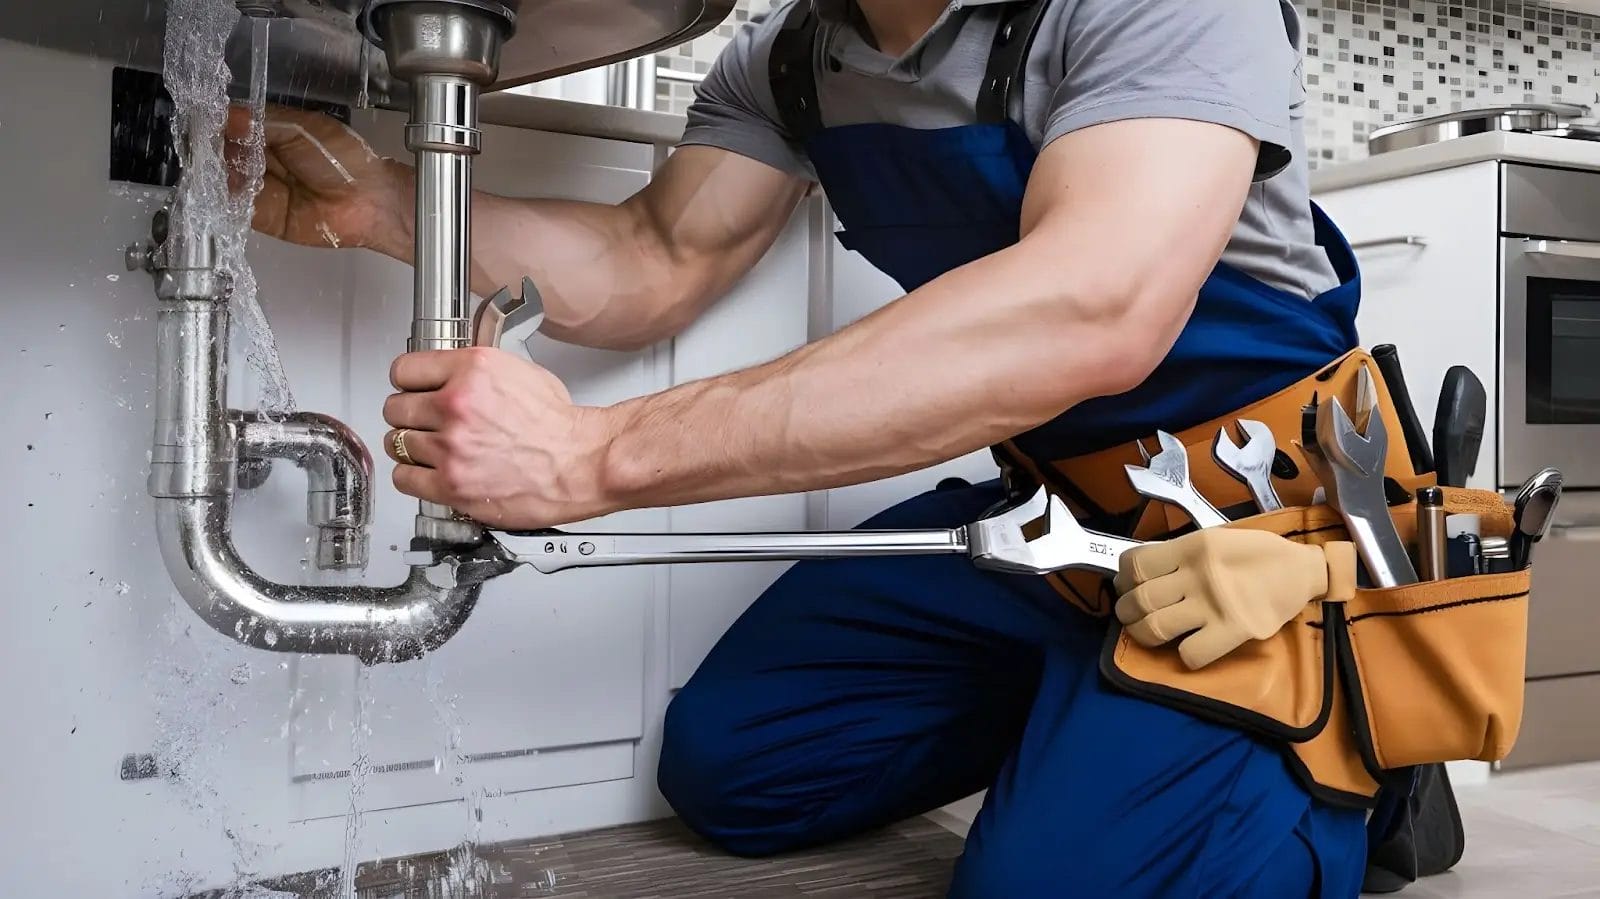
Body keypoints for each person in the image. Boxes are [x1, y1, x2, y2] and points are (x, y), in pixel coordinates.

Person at [232, 0, 1375, 894]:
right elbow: (658, 254)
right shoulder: (789, 57)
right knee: (742, 765)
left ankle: (1370, 724)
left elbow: (1092, 307)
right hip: (1055, 512)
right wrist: (380, 204)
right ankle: (1098, 708)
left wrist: (595, 456)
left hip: (1250, 529)